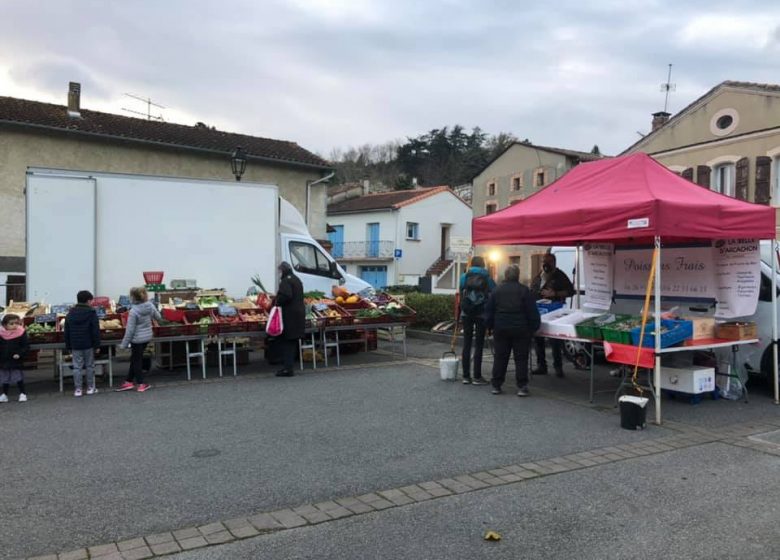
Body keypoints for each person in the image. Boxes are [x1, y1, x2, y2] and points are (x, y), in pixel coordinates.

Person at [485, 265, 540, 396]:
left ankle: (496, 385)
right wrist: (533, 328)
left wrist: (489, 326)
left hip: (501, 328)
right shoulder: (524, 291)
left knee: (500, 357)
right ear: (518, 275)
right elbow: (532, 312)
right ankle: (522, 386)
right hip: (520, 329)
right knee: (521, 358)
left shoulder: (496, 291)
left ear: (505, 275)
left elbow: (489, 311)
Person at [531, 252, 574, 377]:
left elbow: (571, 291)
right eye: (544, 261)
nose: (545, 264)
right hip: (539, 311)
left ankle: (558, 367)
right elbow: (533, 288)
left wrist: (554, 294)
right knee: (538, 339)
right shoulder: (539, 275)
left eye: (548, 262)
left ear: (554, 263)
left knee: (555, 341)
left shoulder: (560, 275)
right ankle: (541, 365)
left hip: (555, 312)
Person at [458, 255, 496, 385]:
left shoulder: (464, 276)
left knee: (467, 343)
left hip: (466, 312)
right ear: (482, 264)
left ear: (471, 264)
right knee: (479, 344)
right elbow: (494, 292)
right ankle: (477, 377)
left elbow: (460, 291)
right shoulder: (487, 277)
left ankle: (465, 376)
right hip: (481, 313)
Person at [117, 287, 161, 392]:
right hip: (146, 337)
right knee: (135, 358)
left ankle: (141, 383)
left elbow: (130, 330)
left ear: (132, 297)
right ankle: (128, 381)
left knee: (137, 360)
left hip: (136, 339)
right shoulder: (150, 306)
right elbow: (158, 317)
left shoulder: (134, 311)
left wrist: (123, 344)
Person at [64, 290, 102, 397]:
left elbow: (67, 331)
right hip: (88, 343)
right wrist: (97, 345)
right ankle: (90, 387)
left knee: (77, 367)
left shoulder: (70, 313)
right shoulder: (91, 313)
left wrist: (68, 345)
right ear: (88, 301)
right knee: (90, 366)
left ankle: (78, 390)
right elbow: (95, 330)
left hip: (75, 344)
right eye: (91, 301)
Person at [274, 261, 305, 377]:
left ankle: (288, 369)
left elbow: (286, 295)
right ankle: (289, 366)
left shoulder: (286, 281)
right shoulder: (296, 279)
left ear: (283, 270)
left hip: (290, 316)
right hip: (298, 314)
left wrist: (277, 301)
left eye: (280, 271)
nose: (279, 273)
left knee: (287, 342)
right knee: (292, 342)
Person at [0, 314, 30, 403]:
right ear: (5, 325)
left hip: (16, 359)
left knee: (17, 376)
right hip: (3, 359)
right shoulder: (1, 334)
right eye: (11, 324)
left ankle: (22, 393)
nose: (14, 325)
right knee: (4, 378)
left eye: (16, 323)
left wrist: (19, 354)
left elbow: (25, 346)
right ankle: (4, 394)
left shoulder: (21, 332)